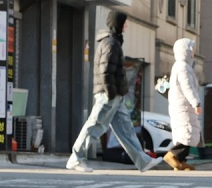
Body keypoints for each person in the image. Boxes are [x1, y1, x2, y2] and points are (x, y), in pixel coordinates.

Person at [67, 11, 163, 173]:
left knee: (126, 130)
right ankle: (76, 158)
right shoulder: (111, 44)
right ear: (118, 24)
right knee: (95, 125)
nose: (126, 25)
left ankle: (143, 161)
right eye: (124, 22)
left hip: (114, 96)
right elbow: (106, 72)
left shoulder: (113, 42)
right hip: (109, 95)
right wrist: (111, 94)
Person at [164, 38, 202, 171]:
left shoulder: (185, 66)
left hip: (183, 105)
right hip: (184, 106)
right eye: (192, 49)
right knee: (187, 133)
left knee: (188, 133)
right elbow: (187, 87)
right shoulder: (183, 67)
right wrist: (195, 102)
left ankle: (180, 161)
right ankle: (171, 155)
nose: (194, 52)